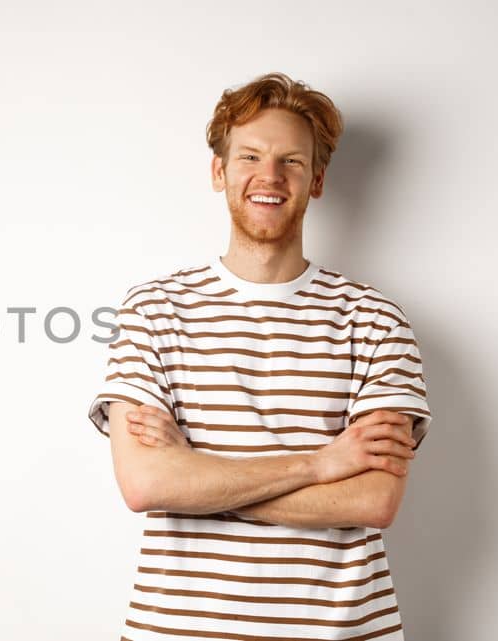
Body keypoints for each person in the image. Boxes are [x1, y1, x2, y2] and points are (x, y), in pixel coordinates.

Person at [86, 72, 433, 640]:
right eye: (249, 156)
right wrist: (319, 466)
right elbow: (146, 485)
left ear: (316, 180)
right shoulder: (153, 309)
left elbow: (373, 498)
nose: (268, 176)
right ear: (220, 171)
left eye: (291, 161)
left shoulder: (375, 319)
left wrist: (198, 481)